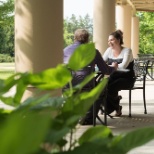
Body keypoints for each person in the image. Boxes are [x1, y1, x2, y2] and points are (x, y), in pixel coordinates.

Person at [63, 28, 118, 125]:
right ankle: (88, 118)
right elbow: (106, 70)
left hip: (67, 85)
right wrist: (113, 67)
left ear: (74, 38)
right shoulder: (93, 51)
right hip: (87, 85)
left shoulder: (65, 51)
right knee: (101, 89)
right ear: (87, 40)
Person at [103, 29, 135, 116]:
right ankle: (116, 106)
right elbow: (102, 64)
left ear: (119, 40)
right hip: (113, 77)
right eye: (108, 40)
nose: (109, 42)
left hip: (127, 78)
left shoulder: (127, 51)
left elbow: (123, 66)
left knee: (111, 87)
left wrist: (110, 67)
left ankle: (112, 107)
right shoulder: (108, 50)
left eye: (112, 40)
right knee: (102, 85)